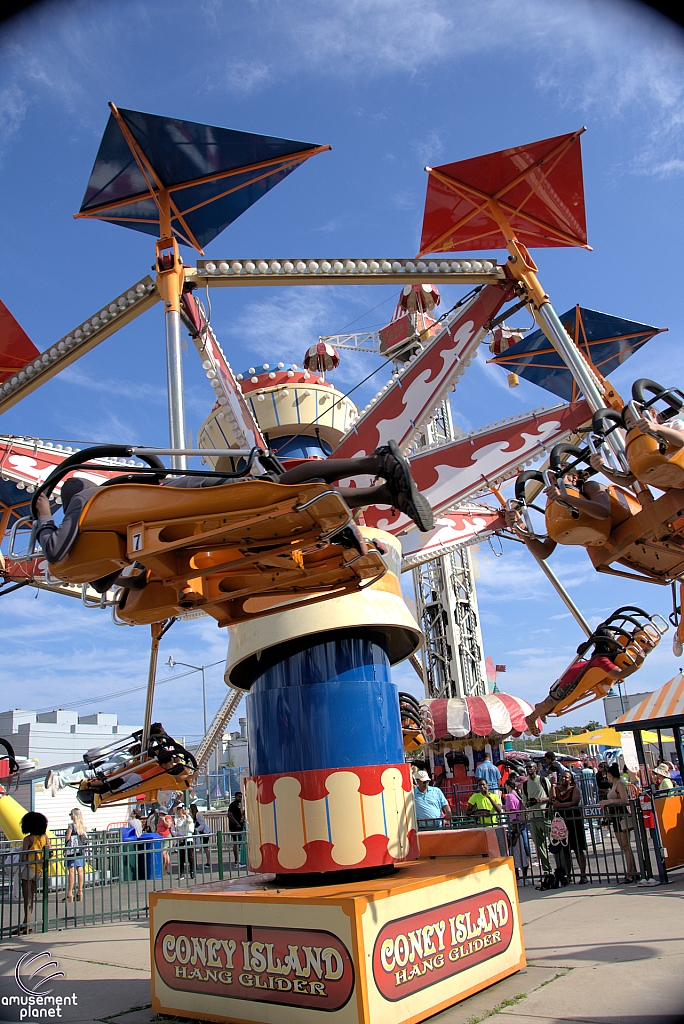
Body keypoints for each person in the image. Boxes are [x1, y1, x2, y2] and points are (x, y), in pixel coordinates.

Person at [32, 440, 435, 574]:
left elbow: (55, 550)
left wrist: (42, 515)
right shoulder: (114, 517)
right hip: (188, 505)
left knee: (278, 489)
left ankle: (376, 463)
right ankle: (385, 495)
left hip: (196, 502)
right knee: (289, 500)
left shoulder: (85, 507)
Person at [525, 631, 649, 732]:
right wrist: (638, 663)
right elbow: (621, 673)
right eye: (613, 639)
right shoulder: (601, 660)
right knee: (556, 701)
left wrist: (645, 649)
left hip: (577, 671)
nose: (616, 641)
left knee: (554, 699)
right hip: (573, 679)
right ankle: (532, 718)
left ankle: (541, 708)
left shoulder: (604, 656)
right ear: (606, 643)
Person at [505, 467, 611, 562]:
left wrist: (565, 497)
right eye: (549, 482)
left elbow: (603, 512)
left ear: (574, 478)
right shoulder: (560, 508)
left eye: (555, 478)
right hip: (603, 545)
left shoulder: (589, 486)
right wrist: (520, 527)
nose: (553, 484)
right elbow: (543, 552)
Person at [600, 763, 639, 883]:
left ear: (610, 775)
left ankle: (630, 872)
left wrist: (609, 801)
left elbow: (624, 799)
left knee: (626, 846)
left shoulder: (620, 784)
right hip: (615, 818)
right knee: (624, 846)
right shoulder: (614, 785)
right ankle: (633, 870)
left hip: (622, 816)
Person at [552, 770, 588, 883]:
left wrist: (560, 805)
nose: (563, 779)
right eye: (562, 777)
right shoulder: (557, 790)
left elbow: (574, 802)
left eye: (566, 777)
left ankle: (583, 875)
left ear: (571, 779)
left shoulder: (574, 789)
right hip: (562, 824)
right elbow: (552, 799)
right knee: (565, 850)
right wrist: (552, 785)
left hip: (574, 822)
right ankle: (568, 875)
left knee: (578, 849)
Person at [18, 812, 50, 934]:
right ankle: (26, 923)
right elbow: (50, 852)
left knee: (27, 898)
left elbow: (24, 858)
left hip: (28, 870)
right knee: (31, 897)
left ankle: (28, 926)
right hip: (39, 870)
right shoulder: (44, 837)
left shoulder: (28, 839)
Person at [521, 761, 553, 876]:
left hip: (545, 815)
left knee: (554, 842)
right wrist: (529, 803)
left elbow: (552, 797)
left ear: (535, 768)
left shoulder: (543, 781)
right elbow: (524, 801)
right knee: (540, 846)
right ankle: (547, 870)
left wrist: (541, 800)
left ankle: (561, 868)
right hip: (533, 816)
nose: (528, 769)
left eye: (530, 767)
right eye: (527, 767)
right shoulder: (525, 784)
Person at [503, 778, 529, 880]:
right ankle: (524, 874)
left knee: (514, 849)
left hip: (514, 823)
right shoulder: (517, 794)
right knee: (522, 847)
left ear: (508, 786)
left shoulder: (509, 796)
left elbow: (510, 810)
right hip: (520, 821)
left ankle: (517, 876)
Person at [63, 807, 88, 903]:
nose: (70, 816)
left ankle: (70, 893)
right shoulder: (82, 826)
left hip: (72, 851)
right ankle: (80, 892)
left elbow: (67, 838)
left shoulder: (71, 826)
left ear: (74, 815)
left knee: (71, 871)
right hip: (80, 850)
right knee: (80, 870)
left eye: (71, 814)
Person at [173, 806, 195, 880]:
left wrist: (187, 814)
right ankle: (181, 873)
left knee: (190, 856)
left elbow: (191, 822)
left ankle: (192, 872)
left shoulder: (187, 818)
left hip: (188, 838)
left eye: (181, 809)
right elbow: (173, 829)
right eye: (178, 809)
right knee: (181, 857)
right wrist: (177, 834)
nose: (180, 811)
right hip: (180, 839)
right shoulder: (176, 819)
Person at [227, 791, 245, 864]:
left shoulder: (240, 805)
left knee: (239, 842)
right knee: (236, 842)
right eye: (239, 797)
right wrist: (236, 823)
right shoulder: (233, 805)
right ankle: (236, 860)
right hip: (234, 826)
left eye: (241, 797)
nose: (240, 798)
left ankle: (240, 859)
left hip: (240, 826)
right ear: (235, 797)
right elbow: (229, 814)